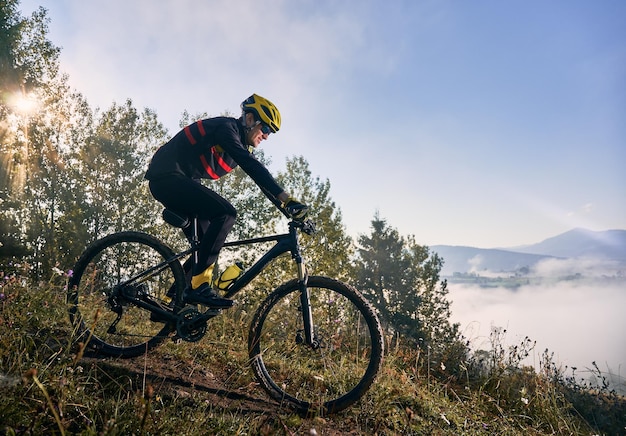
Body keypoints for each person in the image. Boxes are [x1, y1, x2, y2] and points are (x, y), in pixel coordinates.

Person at [145, 94, 308, 307]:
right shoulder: (226, 129)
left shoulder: (239, 143)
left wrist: (291, 211)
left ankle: (171, 304)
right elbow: (251, 165)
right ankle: (198, 287)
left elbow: (261, 182)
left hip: (178, 180)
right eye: (265, 129)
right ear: (249, 119)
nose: (266, 137)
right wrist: (286, 197)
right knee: (226, 214)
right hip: (166, 178)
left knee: (205, 246)